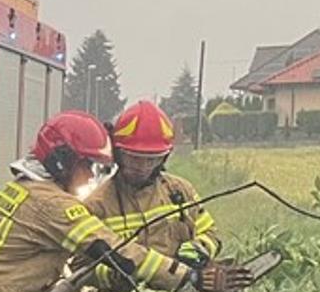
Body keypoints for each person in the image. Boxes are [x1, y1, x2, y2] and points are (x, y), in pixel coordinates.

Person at [0, 110, 232, 292]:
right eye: (88, 166)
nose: (92, 177)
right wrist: (188, 277)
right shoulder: (53, 205)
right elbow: (115, 250)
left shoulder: (22, 189)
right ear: (63, 161)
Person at [85, 100, 222, 269]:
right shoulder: (97, 205)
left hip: (185, 284)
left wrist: (200, 248)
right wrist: (116, 275)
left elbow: (211, 233)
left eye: (151, 159)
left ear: (164, 158)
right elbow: (81, 265)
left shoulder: (180, 191)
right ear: (118, 154)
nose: (143, 168)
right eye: (134, 158)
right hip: (129, 287)